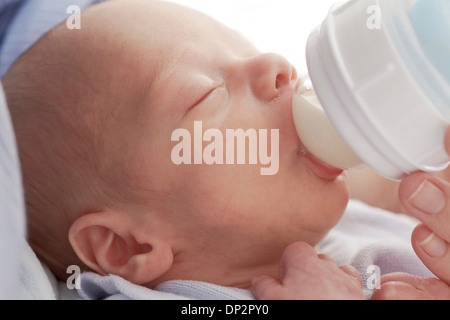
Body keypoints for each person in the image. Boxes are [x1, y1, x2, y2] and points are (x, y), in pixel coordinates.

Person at [2, 0, 449, 300]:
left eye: (247, 49)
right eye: (207, 94)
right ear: (127, 247)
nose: (276, 65)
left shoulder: (344, 220)